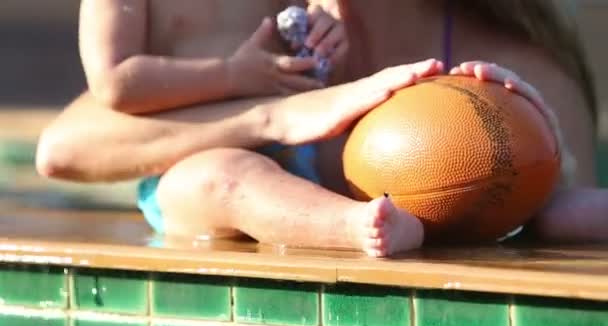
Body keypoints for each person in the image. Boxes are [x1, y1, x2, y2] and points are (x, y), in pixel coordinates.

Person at [36, 0, 607, 257]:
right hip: (218, 180)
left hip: (367, 185)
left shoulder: (522, 55)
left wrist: (528, 128)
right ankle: (351, 225)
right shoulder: (283, 18)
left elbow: (547, 211)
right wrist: (270, 112)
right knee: (220, 175)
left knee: (543, 197)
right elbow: (67, 144)